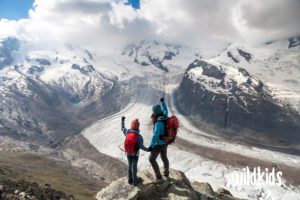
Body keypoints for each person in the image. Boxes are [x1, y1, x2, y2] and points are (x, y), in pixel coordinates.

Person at [121, 116, 149, 186]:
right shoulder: (139, 137)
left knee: (129, 165)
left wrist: (122, 120)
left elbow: (122, 128)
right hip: (135, 154)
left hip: (128, 153)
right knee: (134, 167)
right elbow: (141, 147)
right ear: (138, 127)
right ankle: (135, 181)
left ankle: (130, 180)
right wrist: (148, 149)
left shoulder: (127, 132)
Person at [149, 97, 169, 182]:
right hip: (166, 142)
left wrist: (151, 146)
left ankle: (158, 177)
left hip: (159, 144)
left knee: (151, 159)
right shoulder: (165, 115)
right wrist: (163, 102)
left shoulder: (158, 123)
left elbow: (155, 136)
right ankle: (166, 171)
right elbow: (165, 109)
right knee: (164, 156)